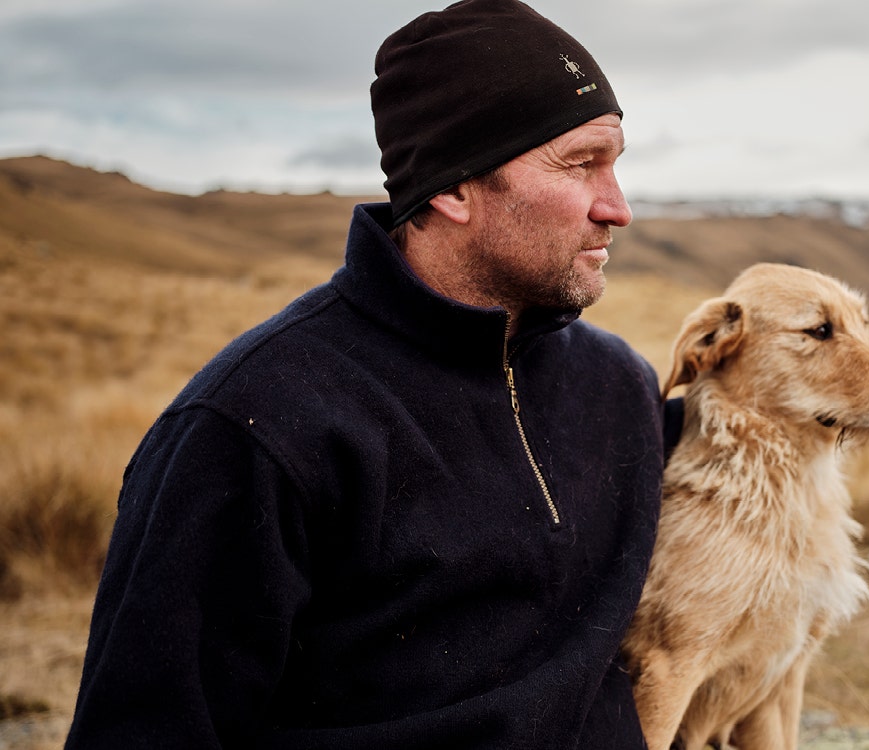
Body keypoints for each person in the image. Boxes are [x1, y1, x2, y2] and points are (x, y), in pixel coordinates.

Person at [65, 1, 669, 747]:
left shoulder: (621, 387)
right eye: (580, 164)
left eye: (616, 162)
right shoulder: (256, 426)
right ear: (452, 187)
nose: (619, 208)